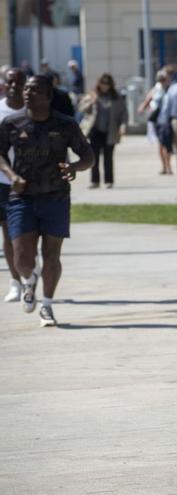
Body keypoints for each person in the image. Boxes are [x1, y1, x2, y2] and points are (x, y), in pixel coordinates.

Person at [0, 75, 95, 327]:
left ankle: (47, 306)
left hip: (56, 197)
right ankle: (29, 280)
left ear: (47, 96)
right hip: (21, 197)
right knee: (22, 258)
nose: (28, 93)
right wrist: (11, 175)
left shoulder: (65, 124)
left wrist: (73, 168)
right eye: (27, 89)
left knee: (51, 254)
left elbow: (88, 156)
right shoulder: (12, 122)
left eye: (35, 89)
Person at [0, 68, 26, 302]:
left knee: (28, 235)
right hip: (3, 182)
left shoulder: (34, 110)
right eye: (10, 81)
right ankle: (16, 281)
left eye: (19, 81)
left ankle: (28, 269)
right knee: (8, 233)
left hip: (31, 181)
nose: (14, 85)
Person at [78, 73, 127, 189]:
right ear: (99, 83)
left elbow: (123, 113)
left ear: (111, 85)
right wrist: (91, 101)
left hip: (110, 131)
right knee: (94, 157)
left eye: (107, 83)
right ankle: (95, 181)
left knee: (108, 157)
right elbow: (81, 108)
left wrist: (123, 125)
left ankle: (109, 181)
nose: (105, 86)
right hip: (95, 131)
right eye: (103, 83)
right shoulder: (93, 95)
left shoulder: (116, 98)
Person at [138, 70, 173, 175]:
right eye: (161, 79)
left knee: (166, 144)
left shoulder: (171, 90)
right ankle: (165, 167)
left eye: (164, 79)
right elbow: (147, 101)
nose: (163, 81)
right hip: (159, 122)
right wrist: (143, 108)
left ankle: (168, 166)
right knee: (162, 144)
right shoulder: (156, 90)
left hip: (168, 120)